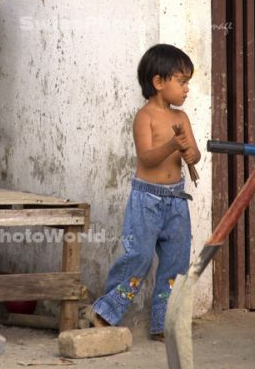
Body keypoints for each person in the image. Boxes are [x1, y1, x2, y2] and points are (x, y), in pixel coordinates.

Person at [92, 43, 201, 340]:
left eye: (187, 82)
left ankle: (164, 324)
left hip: (177, 200)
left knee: (175, 263)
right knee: (138, 256)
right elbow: (147, 158)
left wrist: (191, 154)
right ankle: (105, 311)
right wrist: (172, 146)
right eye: (182, 81)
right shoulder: (146, 117)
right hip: (147, 199)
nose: (187, 88)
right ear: (158, 82)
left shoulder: (181, 118)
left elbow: (194, 155)